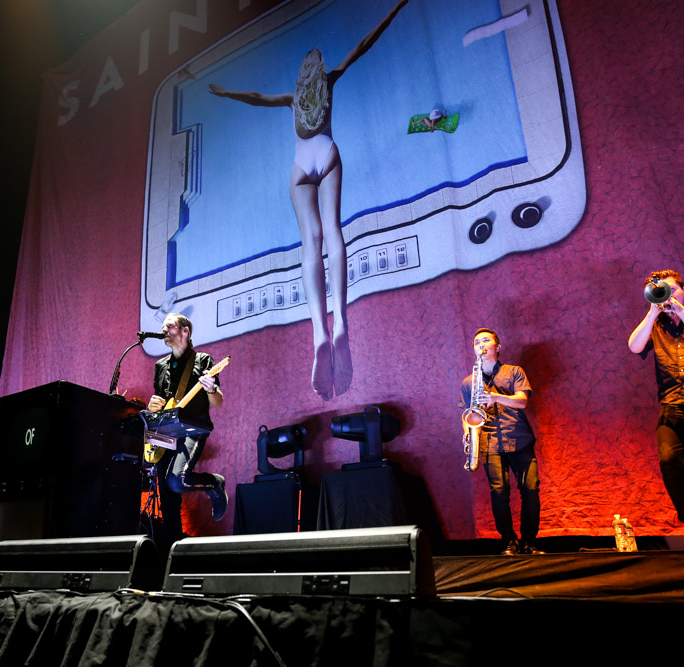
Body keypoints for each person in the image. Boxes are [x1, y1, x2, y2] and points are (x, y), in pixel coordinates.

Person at [208, 0, 410, 400]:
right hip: (327, 152)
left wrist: (226, 92)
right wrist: (393, 9)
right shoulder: (330, 81)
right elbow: (363, 44)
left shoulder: (291, 97)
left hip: (302, 164)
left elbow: (255, 96)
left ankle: (319, 330)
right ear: (320, 70)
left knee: (310, 243)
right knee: (334, 233)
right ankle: (341, 325)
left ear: (302, 74)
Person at [459, 329, 542, 555]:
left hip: (519, 438)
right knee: (498, 492)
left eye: (486, 340)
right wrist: (468, 430)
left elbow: (523, 401)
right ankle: (509, 541)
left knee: (530, 489)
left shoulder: (514, 371)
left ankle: (529, 542)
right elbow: (467, 413)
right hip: (488, 442)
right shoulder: (469, 381)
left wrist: (495, 397)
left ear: (498, 347)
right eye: (476, 342)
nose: (481, 344)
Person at [148, 314, 228, 543]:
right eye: (162, 326)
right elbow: (161, 404)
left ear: (185, 331)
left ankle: (213, 482)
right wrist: (154, 406)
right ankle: (171, 554)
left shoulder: (203, 360)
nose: (164, 330)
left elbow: (218, 402)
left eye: (169, 326)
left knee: (176, 480)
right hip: (167, 432)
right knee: (167, 498)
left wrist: (211, 389)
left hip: (194, 428)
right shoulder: (160, 365)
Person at [628, 269, 684, 522]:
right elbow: (634, 346)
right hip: (671, 408)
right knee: (669, 460)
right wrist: (653, 311)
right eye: (663, 292)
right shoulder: (656, 325)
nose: (669, 296)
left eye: (673, 290)